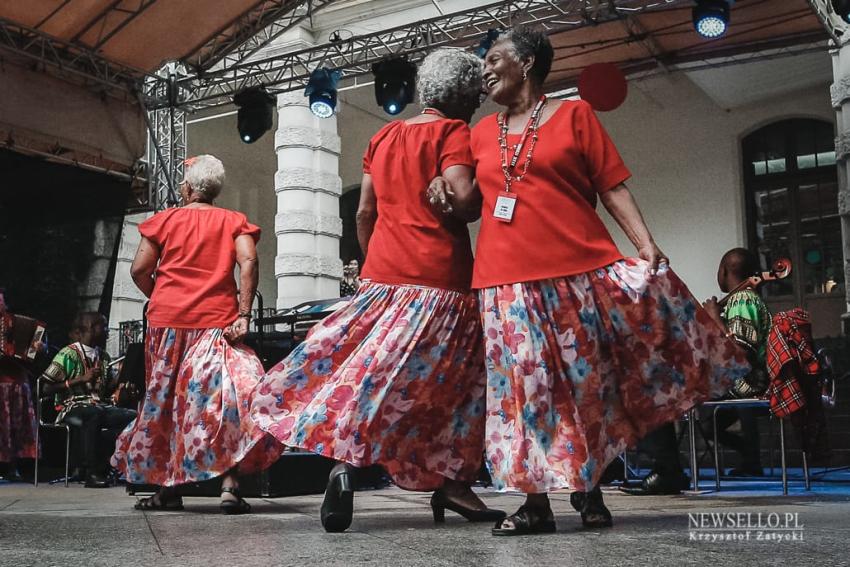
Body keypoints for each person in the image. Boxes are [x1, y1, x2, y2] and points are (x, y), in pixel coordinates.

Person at [428, 28, 749, 534]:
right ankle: (534, 504)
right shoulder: (480, 133)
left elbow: (612, 186)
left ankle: (589, 490)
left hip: (576, 270)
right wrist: (443, 186)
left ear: (527, 62)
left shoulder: (576, 115)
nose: (484, 70)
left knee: (586, 388)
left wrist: (644, 242)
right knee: (523, 392)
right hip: (504, 280)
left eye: (493, 59)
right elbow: (471, 204)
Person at [250, 48, 504, 533]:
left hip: (382, 279)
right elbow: (466, 201)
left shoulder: (383, 135)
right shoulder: (453, 133)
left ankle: (349, 466)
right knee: (456, 388)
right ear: (463, 96)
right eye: (474, 97)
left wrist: (373, 264)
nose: (475, 105)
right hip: (440, 283)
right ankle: (449, 482)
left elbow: (363, 213)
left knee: (373, 377)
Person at [111, 154, 281, 513]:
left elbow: (140, 269)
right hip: (215, 326)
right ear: (215, 190)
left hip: (167, 325)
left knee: (168, 405)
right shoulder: (234, 221)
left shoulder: (164, 221)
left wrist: (162, 298)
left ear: (187, 188)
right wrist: (245, 313)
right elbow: (248, 262)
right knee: (222, 402)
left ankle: (169, 490)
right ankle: (230, 484)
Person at [41, 312, 136, 488]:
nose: (107, 331)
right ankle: (92, 473)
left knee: (133, 416)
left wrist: (122, 379)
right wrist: (80, 380)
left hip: (98, 406)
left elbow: (105, 389)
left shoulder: (104, 356)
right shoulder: (68, 354)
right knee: (94, 413)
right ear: (91, 328)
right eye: (104, 326)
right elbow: (44, 387)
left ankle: (111, 467)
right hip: (69, 407)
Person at [701, 247, 771, 476]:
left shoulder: (742, 299)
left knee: (698, 402)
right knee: (708, 424)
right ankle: (749, 454)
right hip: (743, 380)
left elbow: (742, 353)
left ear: (723, 272)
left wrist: (714, 318)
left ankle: (752, 459)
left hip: (752, 381)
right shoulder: (740, 300)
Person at [0, 288, 38, 480]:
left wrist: (38, 348)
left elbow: (33, 351)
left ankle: (13, 467)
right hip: (2, 383)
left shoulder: (14, 321)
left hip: (18, 383)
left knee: (17, 428)